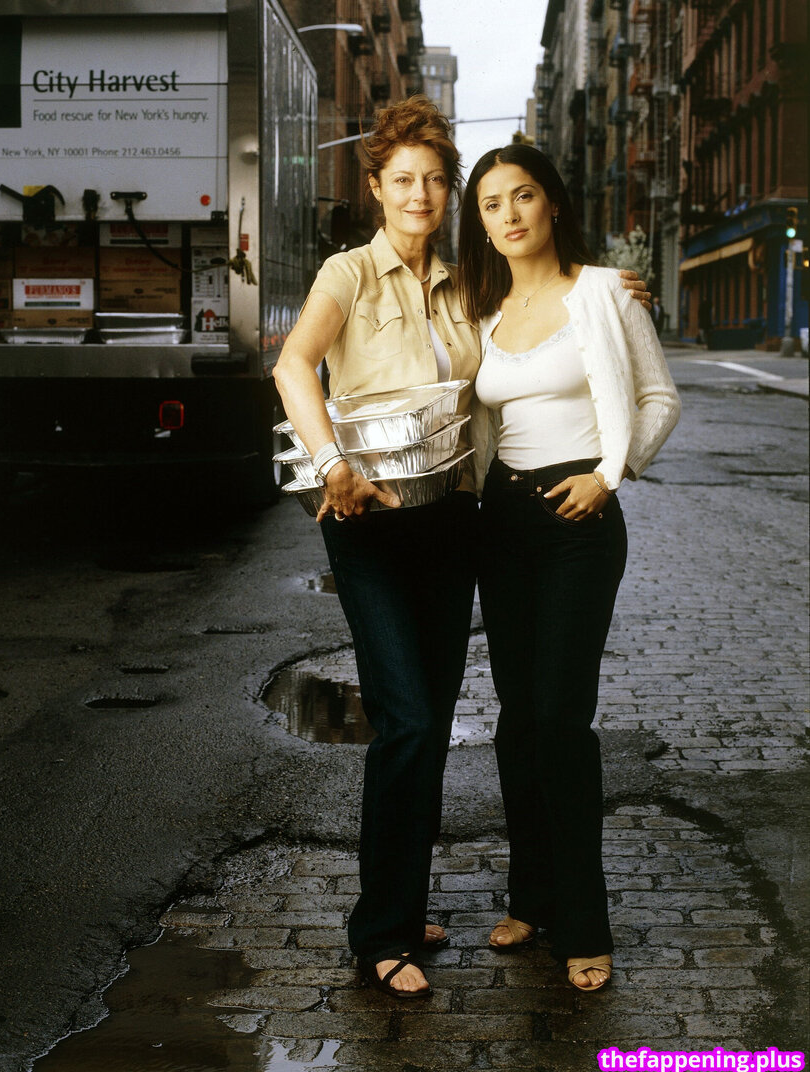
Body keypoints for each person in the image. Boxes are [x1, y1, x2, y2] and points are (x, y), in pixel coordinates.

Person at [273, 98, 650, 1001]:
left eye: (437, 180)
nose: (422, 194)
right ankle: (382, 933)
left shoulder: (466, 288)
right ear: (375, 186)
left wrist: (612, 292)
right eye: (404, 179)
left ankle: (405, 907)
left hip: (453, 526)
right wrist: (329, 466)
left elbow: (535, 328)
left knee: (433, 723)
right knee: (405, 719)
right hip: (367, 523)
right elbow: (292, 365)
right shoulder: (347, 274)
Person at [457, 143, 680, 992]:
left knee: (558, 718)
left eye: (523, 196)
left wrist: (609, 475)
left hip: (579, 520)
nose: (509, 215)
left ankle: (584, 922)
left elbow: (659, 397)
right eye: (491, 204)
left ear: (552, 202)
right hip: (503, 519)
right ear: (480, 223)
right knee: (517, 720)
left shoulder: (605, 292)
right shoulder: (481, 310)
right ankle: (531, 897)